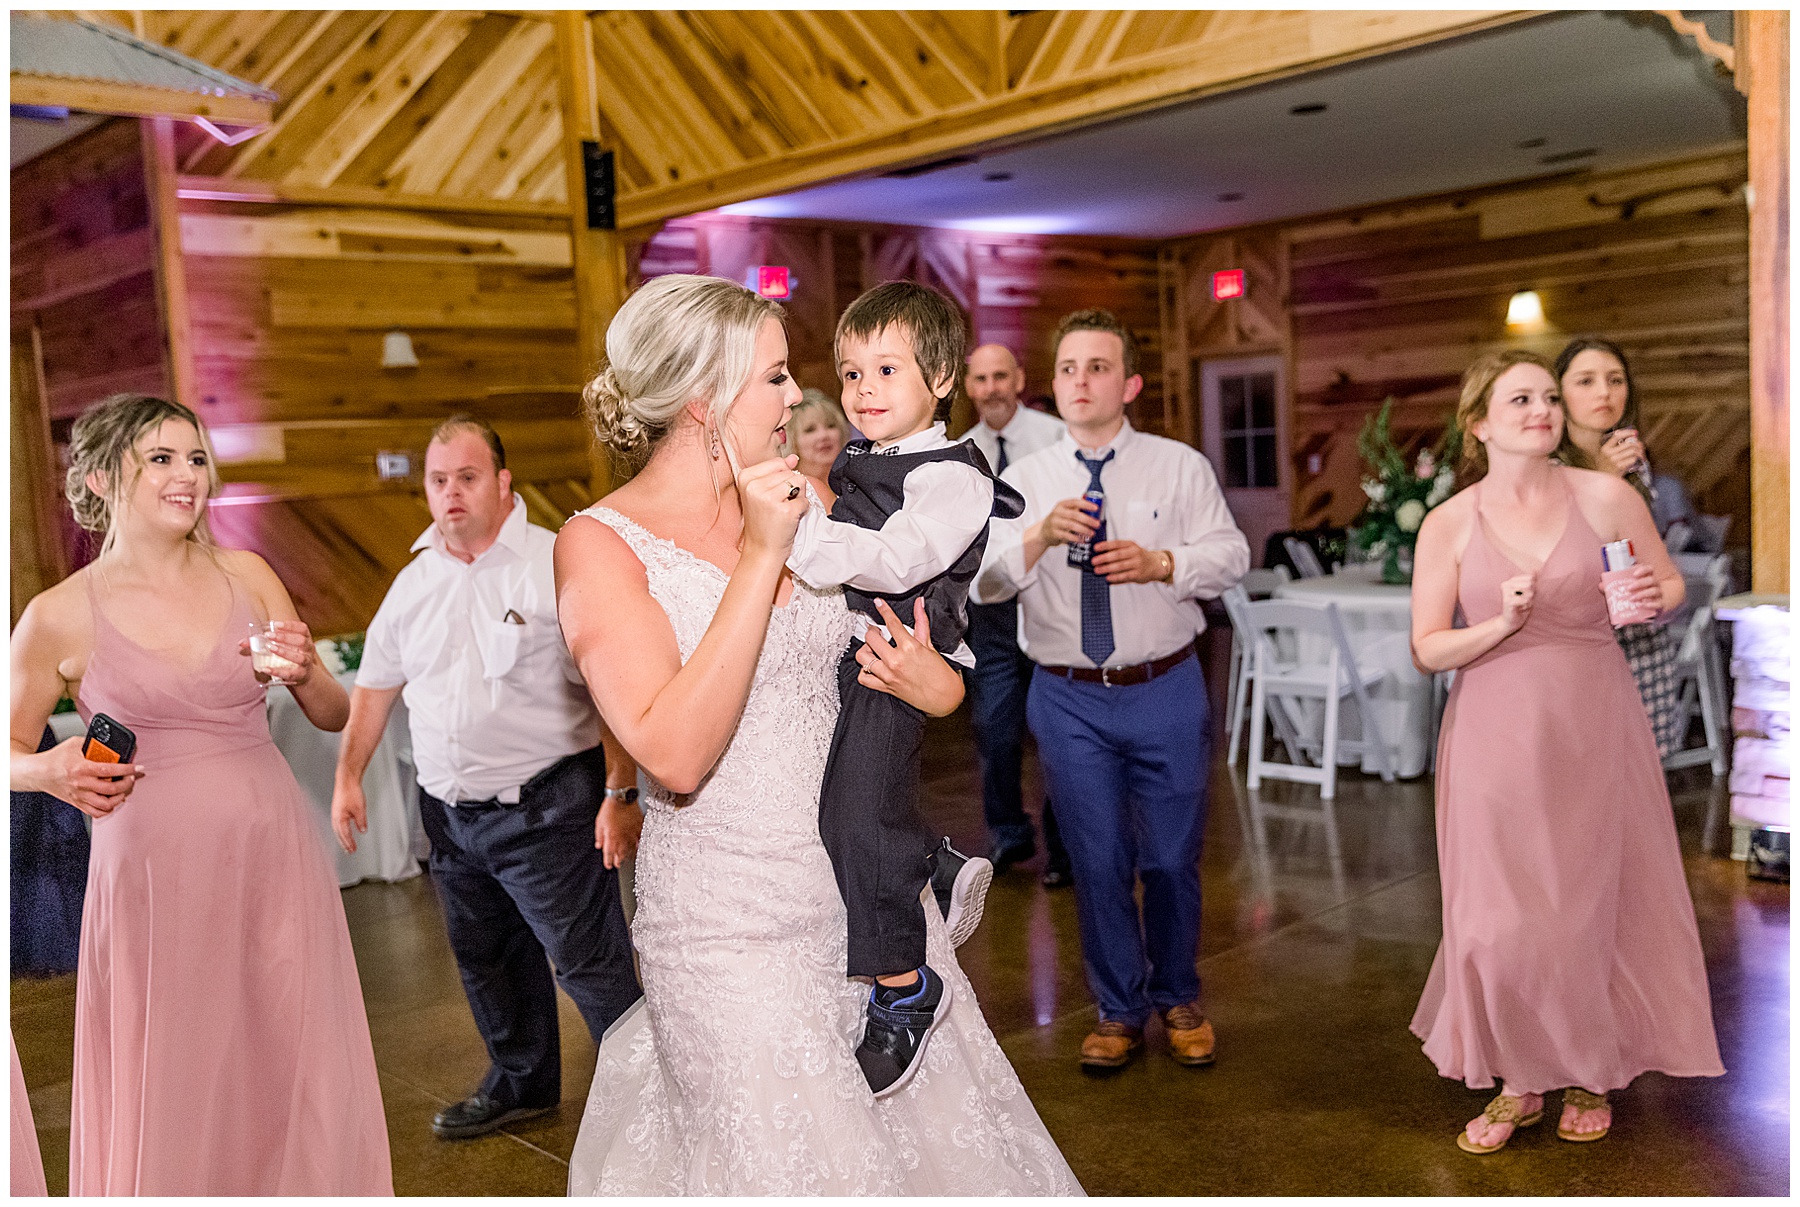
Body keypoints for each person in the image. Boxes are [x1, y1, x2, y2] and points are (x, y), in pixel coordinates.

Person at [557, 273, 1080, 1194]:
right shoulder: (600, 545)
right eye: (773, 377)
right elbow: (675, 754)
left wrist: (937, 688)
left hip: (861, 890)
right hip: (729, 921)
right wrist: (763, 553)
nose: (799, 394)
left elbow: (900, 652)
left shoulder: (817, 497)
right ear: (703, 399)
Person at [8, 394, 391, 1194]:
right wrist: (48, 770)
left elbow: (332, 714)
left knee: (288, 1052)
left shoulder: (247, 574)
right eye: (161, 457)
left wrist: (307, 672)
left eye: (195, 458)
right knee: (178, 1068)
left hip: (271, 857)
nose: (187, 474)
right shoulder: (58, 614)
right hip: (153, 881)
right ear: (101, 477)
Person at [1409, 349, 1723, 1154]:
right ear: (1479, 423)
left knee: (1586, 903)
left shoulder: (1606, 496)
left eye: (1548, 396)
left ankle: (1588, 1068)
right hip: (1492, 729)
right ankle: (1520, 1074)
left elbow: (1668, 586)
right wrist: (1499, 624)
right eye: (1520, 399)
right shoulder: (1450, 522)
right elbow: (1428, 647)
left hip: (1592, 720)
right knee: (1495, 917)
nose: (1542, 409)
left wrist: (1651, 598)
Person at [331, 415, 643, 1141]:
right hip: (449, 816)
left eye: (467, 477)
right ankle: (523, 1081)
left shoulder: (553, 561)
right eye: (438, 480)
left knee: (588, 964)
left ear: (503, 482)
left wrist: (620, 791)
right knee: (487, 960)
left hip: (548, 807)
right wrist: (348, 775)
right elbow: (374, 689)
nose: (451, 493)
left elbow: (609, 689)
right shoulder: (414, 583)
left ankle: (649, 1096)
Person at [976, 310, 1249, 1072]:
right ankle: (1118, 1008)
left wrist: (1165, 564)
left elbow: (1232, 554)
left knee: (1169, 857)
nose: (1080, 381)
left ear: (1129, 384)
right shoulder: (1023, 481)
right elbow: (985, 581)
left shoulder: (1179, 466)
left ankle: (1179, 995)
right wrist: (1037, 536)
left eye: (1097, 367)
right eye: (1068, 368)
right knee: (1096, 860)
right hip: (1068, 695)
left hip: (1165, 684)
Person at [784, 282, 1024, 1096]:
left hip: (901, 656)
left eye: (886, 369)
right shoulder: (866, 457)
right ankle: (933, 860)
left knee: (855, 811)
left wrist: (798, 534)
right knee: (842, 800)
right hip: (860, 649)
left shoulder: (955, 477)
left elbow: (896, 561)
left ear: (943, 377)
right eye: (852, 373)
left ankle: (903, 983)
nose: (863, 390)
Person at [959, 343, 1073, 886]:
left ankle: (1064, 847)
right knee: (994, 730)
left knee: (1057, 735)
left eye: (1000, 376)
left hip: (1048, 601)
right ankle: (1009, 833)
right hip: (992, 614)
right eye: (981, 379)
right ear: (969, 387)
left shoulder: (1056, 438)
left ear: (1020, 379)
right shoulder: (962, 454)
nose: (991, 389)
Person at [1553, 338, 1693, 756]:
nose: (1604, 392)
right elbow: (1555, 550)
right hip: (1577, 642)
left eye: (1615, 380)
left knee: (1640, 769)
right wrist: (1601, 478)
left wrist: (1660, 594)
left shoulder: (1633, 460)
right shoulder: (1546, 467)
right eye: (1586, 381)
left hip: (1639, 635)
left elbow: (1648, 547)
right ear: (1557, 393)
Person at [781, 386, 853, 480]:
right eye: (810, 430)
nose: (823, 435)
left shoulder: (857, 478)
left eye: (831, 425)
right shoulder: (785, 483)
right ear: (791, 439)